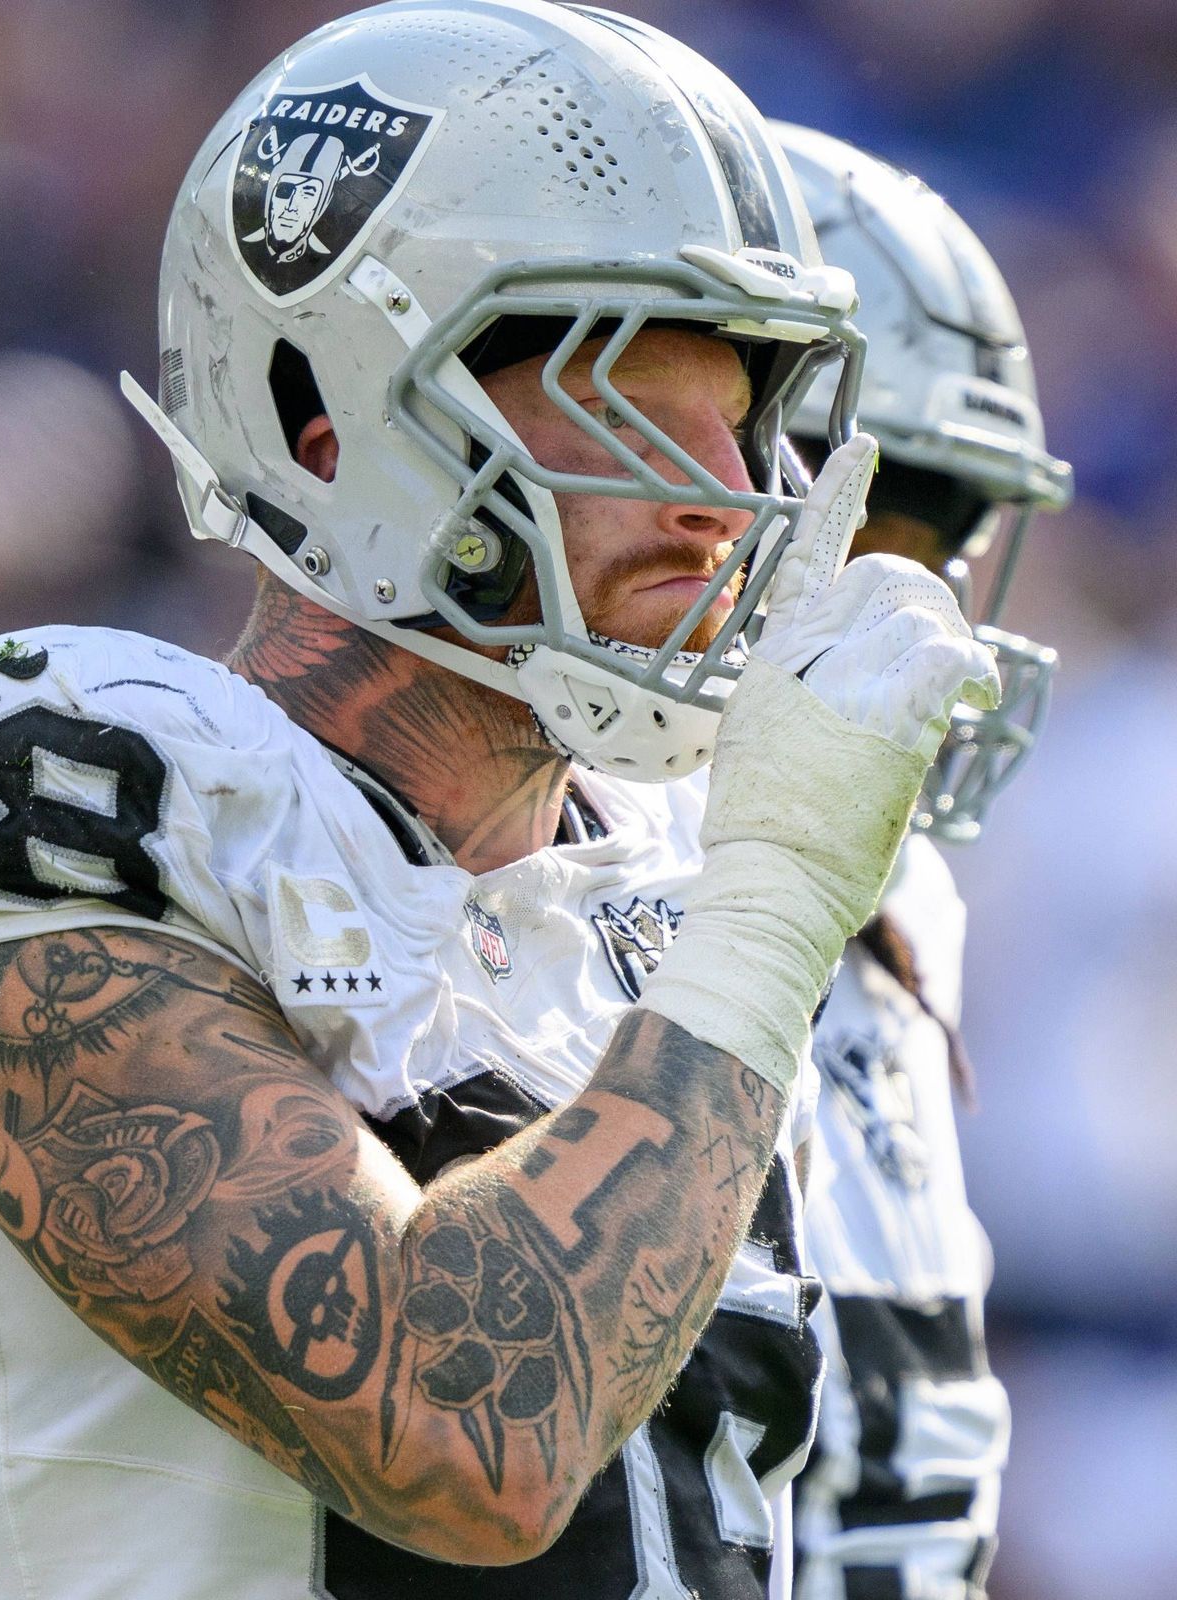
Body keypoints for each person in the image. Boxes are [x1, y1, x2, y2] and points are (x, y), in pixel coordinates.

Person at [0, 7, 997, 1599]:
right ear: (339, 430)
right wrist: (779, 900)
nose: (718, 496)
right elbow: (460, 1438)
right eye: (625, 403)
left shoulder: (680, 876)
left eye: (743, 414)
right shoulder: (88, 780)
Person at [765, 123, 1072, 1600]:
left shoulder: (902, 908)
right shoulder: (515, 882)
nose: (920, 599)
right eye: (872, 519)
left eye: (945, 536)